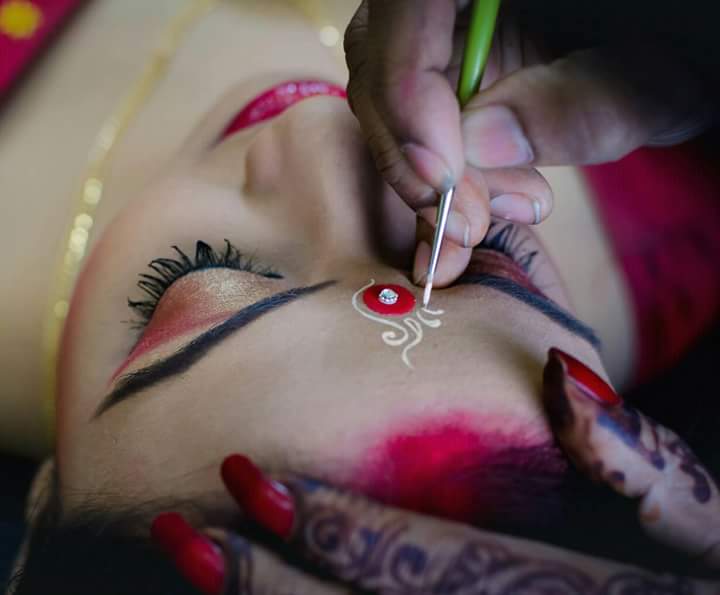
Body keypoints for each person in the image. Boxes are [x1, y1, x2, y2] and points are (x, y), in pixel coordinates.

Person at [1, 0, 719, 592]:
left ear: (43, 502)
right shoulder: (683, 147)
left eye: (201, 279)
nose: (325, 132)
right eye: (492, 260)